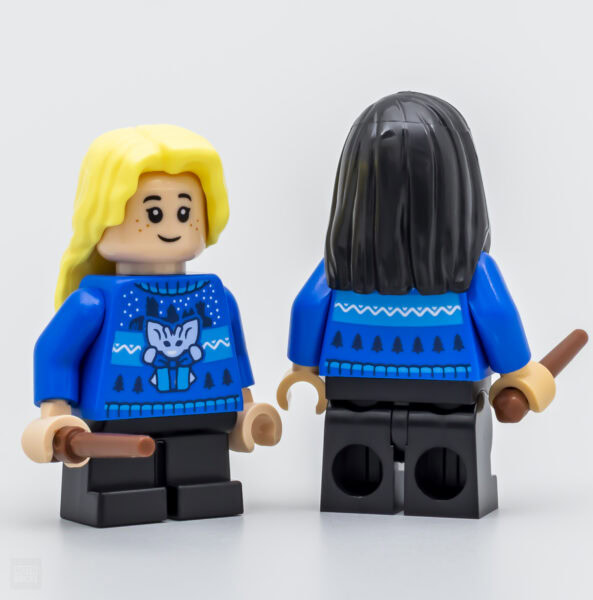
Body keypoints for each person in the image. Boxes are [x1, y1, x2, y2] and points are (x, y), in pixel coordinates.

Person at [277, 92, 555, 518]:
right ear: (458, 187)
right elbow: (496, 314)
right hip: (447, 385)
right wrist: (518, 372)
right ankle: (444, 494)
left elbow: (307, 306)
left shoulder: (342, 267)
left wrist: (303, 369)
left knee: (355, 442)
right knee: (447, 451)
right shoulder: (469, 270)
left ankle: (358, 491)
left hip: (354, 382)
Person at [23, 125, 281, 527]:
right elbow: (55, 352)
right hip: (118, 426)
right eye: (153, 212)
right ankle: (124, 497)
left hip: (204, 419)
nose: (172, 225)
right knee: (121, 483)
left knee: (202, 473)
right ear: (102, 216)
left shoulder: (217, 297)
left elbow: (232, 355)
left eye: (185, 211)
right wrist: (55, 411)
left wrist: (245, 409)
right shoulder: (94, 302)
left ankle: (202, 490)